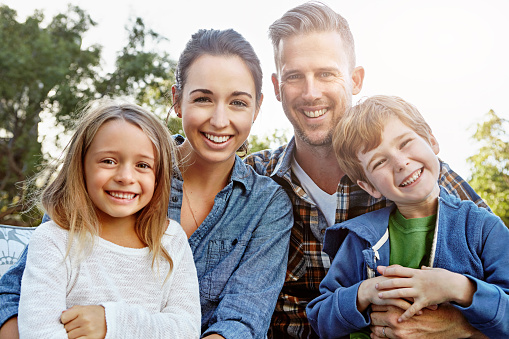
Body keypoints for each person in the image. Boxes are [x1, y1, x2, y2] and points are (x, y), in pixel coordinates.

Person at [0, 28, 293, 339]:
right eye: (203, 98)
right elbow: (14, 295)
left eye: (238, 103)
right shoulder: (120, 172)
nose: (220, 120)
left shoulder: (266, 205)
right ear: (177, 100)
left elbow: (241, 323)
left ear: (257, 108)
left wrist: (114, 323)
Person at [244, 2, 491, 338]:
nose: (311, 92)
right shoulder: (252, 178)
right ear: (276, 86)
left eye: (326, 74)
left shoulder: (419, 178)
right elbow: (174, 168)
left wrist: (461, 327)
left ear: (355, 79)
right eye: (294, 77)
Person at [305, 95, 509, 338]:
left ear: (432, 141)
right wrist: (363, 293)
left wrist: (459, 288)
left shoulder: (483, 228)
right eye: (380, 162)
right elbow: (319, 319)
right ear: (370, 186)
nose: (400, 163)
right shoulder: (359, 240)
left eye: (405, 143)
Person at [17, 98, 201, 338]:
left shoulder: (171, 240)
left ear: (158, 176)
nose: (125, 176)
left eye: (143, 165)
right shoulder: (53, 240)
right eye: (108, 161)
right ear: (80, 166)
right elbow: (39, 332)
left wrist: (112, 322)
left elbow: (185, 330)